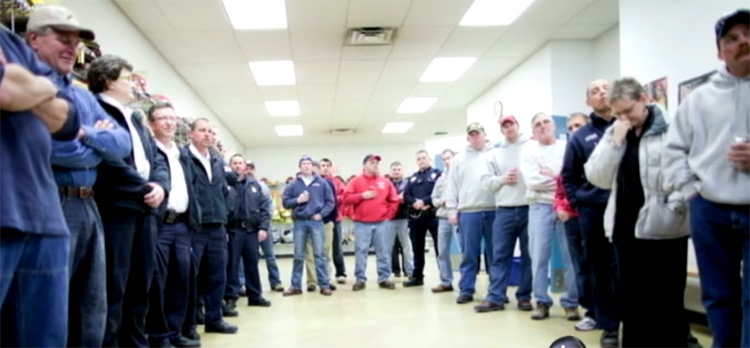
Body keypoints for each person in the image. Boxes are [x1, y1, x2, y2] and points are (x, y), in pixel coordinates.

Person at [25, 8, 133, 346]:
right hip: (51, 200)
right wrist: (94, 141)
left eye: (75, 42)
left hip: (89, 204)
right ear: (33, 39)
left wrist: (80, 134)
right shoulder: (27, 86)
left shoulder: (84, 95)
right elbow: (48, 147)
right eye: (62, 39)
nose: (72, 48)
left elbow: (121, 144)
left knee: (93, 304)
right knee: (49, 304)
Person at [665, 9, 750, 348]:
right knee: (718, 296)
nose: (743, 41)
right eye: (732, 38)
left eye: (748, 33)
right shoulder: (698, 99)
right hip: (709, 211)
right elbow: (673, 152)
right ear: (720, 51)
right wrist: (691, 193)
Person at [586, 78, 691, 347]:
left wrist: (677, 206)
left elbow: (689, 170)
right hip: (625, 229)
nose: (624, 118)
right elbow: (597, 176)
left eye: (628, 111)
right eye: (617, 113)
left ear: (644, 98)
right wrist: (614, 142)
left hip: (665, 227)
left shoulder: (672, 127)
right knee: (632, 303)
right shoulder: (616, 132)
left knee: (667, 303)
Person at [0, 26, 81, 348]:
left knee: (47, 338)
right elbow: (6, 91)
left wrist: (26, 81)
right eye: (63, 39)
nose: (72, 49)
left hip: (44, 215)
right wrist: (42, 87)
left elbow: (67, 120)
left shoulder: (11, 41)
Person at [87, 54, 170, 347]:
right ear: (109, 81)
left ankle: (137, 343)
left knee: (140, 287)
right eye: (127, 78)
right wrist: (143, 186)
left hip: (145, 212)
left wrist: (160, 185)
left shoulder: (134, 118)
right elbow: (108, 159)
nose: (134, 84)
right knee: (113, 286)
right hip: (116, 210)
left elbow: (156, 159)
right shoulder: (94, 109)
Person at [560, 78, 619, 347]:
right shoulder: (580, 137)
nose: (602, 92)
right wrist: (579, 203)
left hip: (627, 209)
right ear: (588, 102)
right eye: (595, 90)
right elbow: (569, 176)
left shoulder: (628, 126)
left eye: (606, 88)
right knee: (599, 269)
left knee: (627, 266)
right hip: (593, 210)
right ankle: (609, 326)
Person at [145, 103, 202, 348]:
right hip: (159, 225)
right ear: (151, 124)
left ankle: (174, 332)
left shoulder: (181, 155)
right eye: (162, 118)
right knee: (158, 282)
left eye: (172, 118)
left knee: (181, 280)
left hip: (182, 225)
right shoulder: (149, 151)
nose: (169, 123)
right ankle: (158, 337)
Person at [519, 113, 578, 321]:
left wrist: (551, 175)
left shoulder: (566, 147)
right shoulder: (529, 151)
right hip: (539, 206)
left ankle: (571, 303)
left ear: (553, 125)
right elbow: (532, 181)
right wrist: (559, 177)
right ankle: (542, 301)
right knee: (539, 257)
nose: (542, 126)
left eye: (546, 122)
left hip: (566, 206)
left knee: (571, 256)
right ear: (533, 131)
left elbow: (573, 177)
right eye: (537, 124)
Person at [184, 118, 237, 334]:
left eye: (211, 132)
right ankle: (190, 322)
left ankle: (214, 319)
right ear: (191, 134)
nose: (208, 135)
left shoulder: (216, 161)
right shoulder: (183, 157)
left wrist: (224, 219)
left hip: (217, 227)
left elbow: (223, 192)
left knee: (217, 274)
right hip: (194, 226)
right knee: (190, 275)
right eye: (202, 131)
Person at [476, 115, 533, 313]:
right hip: (505, 210)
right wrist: (501, 179)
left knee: (529, 255)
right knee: (499, 256)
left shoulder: (531, 146)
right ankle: (496, 298)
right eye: (505, 126)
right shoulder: (494, 153)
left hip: (529, 208)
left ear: (518, 126)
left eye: (512, 125)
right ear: (501, 130)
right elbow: (485, 181)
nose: (509, 128)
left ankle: (524, 297)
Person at [445, 123, 497, 305]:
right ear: (468, 138)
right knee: (469, 254)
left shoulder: (494, 154)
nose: (475, 137)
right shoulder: (459, 159)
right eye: (472, 135)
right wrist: (452, 209)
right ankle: (466, 289)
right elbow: (452, 185)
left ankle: (496, 292)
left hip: (493, 210)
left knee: (495, 254)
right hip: (468, 212)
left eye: (478, 134)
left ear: (485, 135)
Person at [555, 113, 595, 324]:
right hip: (572, 218)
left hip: (595, 217)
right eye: (570, 128)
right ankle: (590, 312)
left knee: (599, 266)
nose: (574, 131)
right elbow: (561, 187)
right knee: (579, 266)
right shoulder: (569, 155)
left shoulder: (599, 151)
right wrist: (561, 206)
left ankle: (608, 313)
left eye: (578, 125)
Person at [342, 155, 400, 291]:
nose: (375, 165)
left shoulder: (385, 182)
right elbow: (346, 199)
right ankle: (360, 279)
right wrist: (362, 196)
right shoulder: (355, 182)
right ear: (364, 165)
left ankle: (384, 278)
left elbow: (394, 199)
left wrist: (388, 215)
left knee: (383, 251)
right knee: (361, 251)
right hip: (361, 223)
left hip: (381, 223)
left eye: (377, 163)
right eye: (372, 162)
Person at [281, 156, 335, 296]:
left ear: (312, 166)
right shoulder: (293, 185)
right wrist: (298, 200)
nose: (306, 166)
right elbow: (285, 203)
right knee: (299, 255)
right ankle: (296, 286)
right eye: (303, 164)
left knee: (320, 254)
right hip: (300, 222)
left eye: (308, 164)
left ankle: (324, 284)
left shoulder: (322, 183)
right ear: (300, 167)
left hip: (316, 222)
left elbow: (330, 202)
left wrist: (321, 215)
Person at [224, 154, 272, 310]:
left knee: (252, 264)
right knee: (232, 265)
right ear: (231, 166)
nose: (238, 166)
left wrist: (263, 227)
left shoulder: (255, 185)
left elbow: (265, 207)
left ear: (245, 166)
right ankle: (231, 296)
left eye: (240, 163)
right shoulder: (225, 184)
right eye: (235, 163)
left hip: (251, 231)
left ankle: (255, 295)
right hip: (233, 230)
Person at [403, 150, 442, 287]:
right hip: (416, 218)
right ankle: (417, 277)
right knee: (417, 248)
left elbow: (439, 193)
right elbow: (406, 195)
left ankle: (444, 278)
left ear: (429, 159)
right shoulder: (412, 178)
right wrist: (414, 202)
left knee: (440, 248)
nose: (421, 161)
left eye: (423, 158)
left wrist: (425, 202)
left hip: (433, 216)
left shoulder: (437, 174)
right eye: (418, 159)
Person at [247, 161, 284, 292]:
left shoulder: (263, 187)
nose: (249, 171)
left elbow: (268, 207)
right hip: (249, 229)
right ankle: (246, 285)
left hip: (264, 226)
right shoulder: (241, 186)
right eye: (247, 168)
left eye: (251, 168)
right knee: (250, 258)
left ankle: (275, 282)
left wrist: (264, 226)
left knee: (270, 256)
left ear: (255, 170)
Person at [304, 161, 338, 292]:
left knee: (325, 253)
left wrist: (330, 220)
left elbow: (332, 202)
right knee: (310, 253)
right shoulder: (302, 184)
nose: (312, 170)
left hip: (325, 222)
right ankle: (312, 281)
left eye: (314, 168)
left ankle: (326, 280)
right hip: (308, 223)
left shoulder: (328, 184)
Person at [430, 149, 459, 292]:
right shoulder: (440, 179)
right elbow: (433, 198)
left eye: (449, 158)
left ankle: (466, 283)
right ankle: (446, 281)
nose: (447, 161)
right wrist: (439, 201)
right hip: (442, 218)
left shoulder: (460, 175)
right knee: (442, 251)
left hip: (459, 218)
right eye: (444, 159)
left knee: (464, 250)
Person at [320, 158, 348, 285]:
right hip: (319, 220)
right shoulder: (316, 182)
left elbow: (345, 196)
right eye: (323, 165)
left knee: (337, 247)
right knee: (321, 248)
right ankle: (322, 274)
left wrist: (333, 198)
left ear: (331, 168)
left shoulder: (336, 182)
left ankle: (340, 272)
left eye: (327, 165)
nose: (325, 167)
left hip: (335, 218)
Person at [387, 161, 415, 280]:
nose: (396, 171)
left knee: (407, 246)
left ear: (402, 171)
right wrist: (397, 198)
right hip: (389, 219)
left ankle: (409, 270)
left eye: (398, 169)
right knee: (389, 247)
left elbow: (409, 198)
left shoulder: (407, 184)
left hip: (404, 218)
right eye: (394, 169)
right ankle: (390, 271)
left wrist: (404, 199)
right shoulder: (386, 184)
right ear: (390, 171)